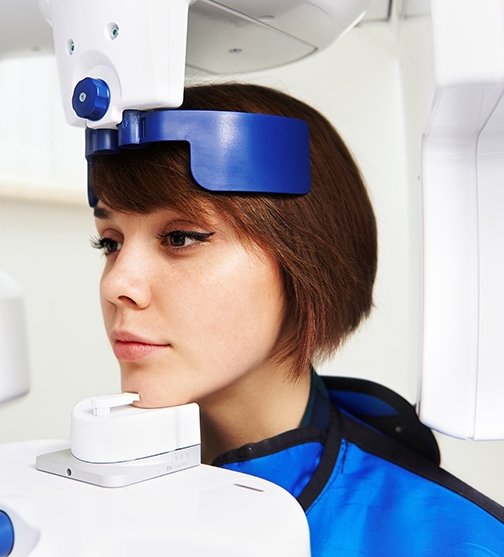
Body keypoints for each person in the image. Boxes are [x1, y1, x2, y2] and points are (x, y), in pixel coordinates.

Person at [89, 83, 504, 555]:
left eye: (180, 237)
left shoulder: (460, 542)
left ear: (304, 261)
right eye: (110, 242)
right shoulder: (80, 502)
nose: (116, 284)